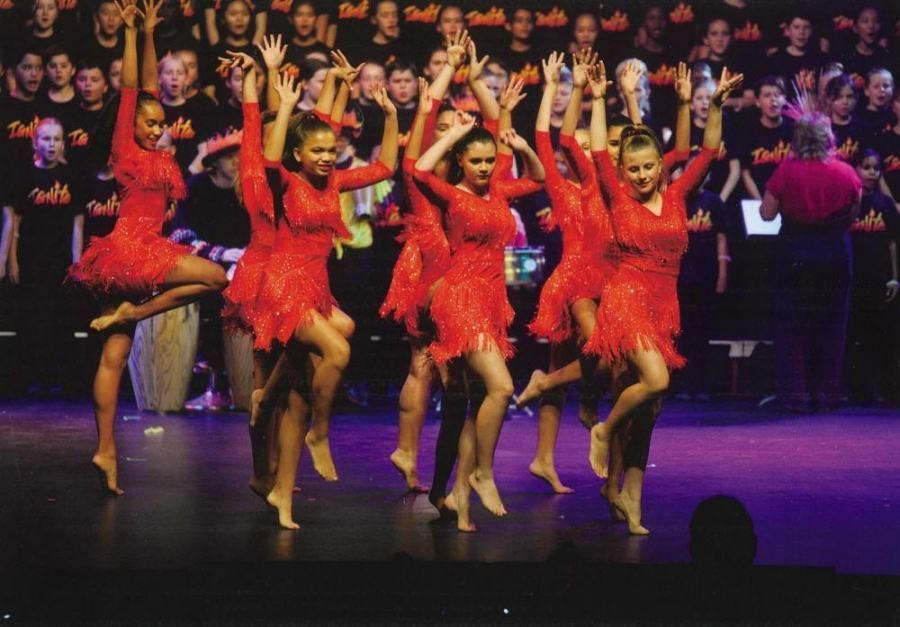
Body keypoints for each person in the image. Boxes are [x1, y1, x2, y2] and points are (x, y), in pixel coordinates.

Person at [67, 0, 229, 495]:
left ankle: (106, 452)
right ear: (130, 125)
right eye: (150, 123)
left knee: (112, 359)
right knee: (215, 278)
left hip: (116, 259)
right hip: (136, 251)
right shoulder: (126, 149)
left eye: (162, 124)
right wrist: (132, 35)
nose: (159, 128)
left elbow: (151, 91)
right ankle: (132, 316)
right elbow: (135, 89)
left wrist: (149, 30)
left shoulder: (151, 142)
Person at [586, 63, 742, 534]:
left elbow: (710, 150)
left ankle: (631, 496)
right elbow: (596, 150)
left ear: (659, 164)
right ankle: (604, 429)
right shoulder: (617, 197)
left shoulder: (676, 196)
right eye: (632, 168)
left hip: (663, 306)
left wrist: (713, 103)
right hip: (626, 296)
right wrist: (596, 98)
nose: (640, 175)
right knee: (654, 381)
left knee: (651, 409)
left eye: (648, 166)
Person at [252, 57, 397, 513]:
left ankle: (281, 491)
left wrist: (390, 116)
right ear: (299, 154)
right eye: (317, 151)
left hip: (316, 287)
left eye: (331, 151)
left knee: (310, 377)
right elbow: (270, 157)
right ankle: (320, 430)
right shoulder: (286, 182)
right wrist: (291, 104)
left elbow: (386, 167)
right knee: (338, 351)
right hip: (283, 284)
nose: (326, 157)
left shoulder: (334, 182)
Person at [413, 94, 545, 531]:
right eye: (477, 161)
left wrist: (522, 148)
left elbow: (539, 179)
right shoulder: (451, 194)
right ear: (462, 162)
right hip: (458, 299)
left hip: (490, 301)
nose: (486, 167)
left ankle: (461, 495)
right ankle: (482, 472)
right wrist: (452, 134)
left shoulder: (501, 190)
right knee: (501, 387)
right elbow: (418, 169)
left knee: (475, 403)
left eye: (490, 160)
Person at [379, 31, 467, 493]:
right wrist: (448, 67)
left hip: (442, 264)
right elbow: (427, 107)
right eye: (447, 124)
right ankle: (445, 467)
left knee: (424, 365)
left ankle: (408, 452)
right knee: (437, 365)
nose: (455, 127)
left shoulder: (461, 173)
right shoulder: (419, 170)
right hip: (428, 269)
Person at [526, 50, 611, 494]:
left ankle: (544, 456)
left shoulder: (609, 190)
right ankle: (566, 404)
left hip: (604, 281)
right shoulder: (561, 187)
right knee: (594, 349)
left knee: (590, 358)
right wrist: (562, 88)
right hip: (571, 282)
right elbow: (549, 136)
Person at [761, 112, 862, 412]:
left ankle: (796, 396)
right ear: (828, 137)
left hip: (795, 251)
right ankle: (828, 394)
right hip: (834, 252)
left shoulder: (786, 171)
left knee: (793, 327)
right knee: (832, 325)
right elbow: (854, 214)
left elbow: (766, 214)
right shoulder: (846, 173)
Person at [5, 117, 84, 394]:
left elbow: (77, 224)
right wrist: (11, 259)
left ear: (64, 143)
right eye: (46, 139)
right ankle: (33, 377)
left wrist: (77, 262)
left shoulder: (71, 176)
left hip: (60, 259)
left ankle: (57, 378)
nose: (52, 145)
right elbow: (15, 222)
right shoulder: (25, 175)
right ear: (35, 142)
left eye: (57, 139)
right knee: (33, 320)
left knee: (60, 321)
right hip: (31, 259)